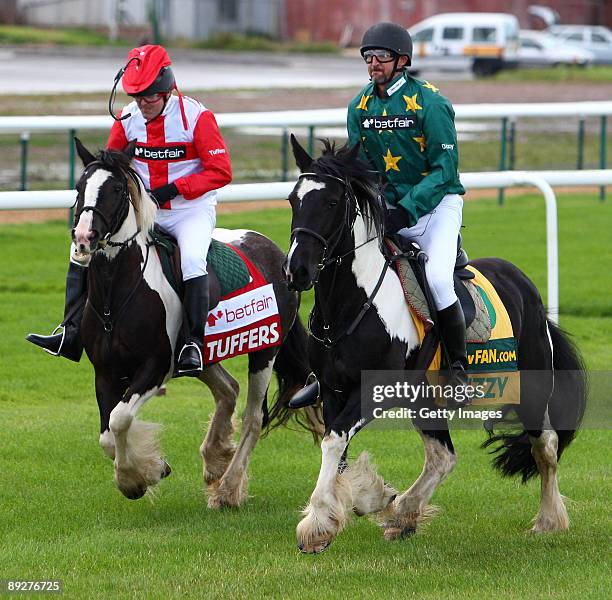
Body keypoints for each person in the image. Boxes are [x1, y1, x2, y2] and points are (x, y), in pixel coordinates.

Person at [290, 22, 467, 408]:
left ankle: (457, 366)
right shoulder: (360, 106)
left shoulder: (432, 104)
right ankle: (323, 373)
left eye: (381, 57)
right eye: (368, 57)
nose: (373, 64)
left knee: (437, 278)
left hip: (437, 207)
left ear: (402, 61)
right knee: (340, 267)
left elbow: (445, 170)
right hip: (388, 207)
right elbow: (363, 168)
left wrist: (406, 210)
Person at [27, 44, 232, 377]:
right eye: (138, 97)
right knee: (82, 246)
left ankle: (193, 343)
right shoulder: (127, 119)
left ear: (167, 89)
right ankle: (70, 331)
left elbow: (221, 170)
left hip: (189, 210)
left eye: (150, 97)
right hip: (142, 211)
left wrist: (175, 188)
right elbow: (109, 166)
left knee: (193, 259)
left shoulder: (197, 117)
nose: (143, 104)